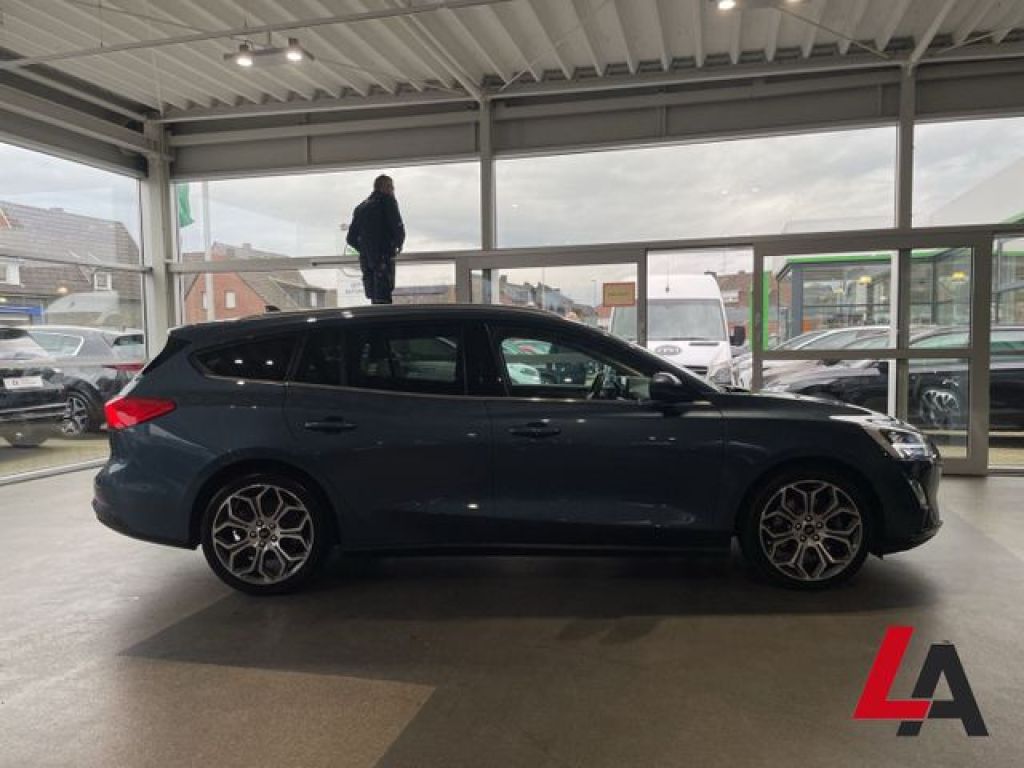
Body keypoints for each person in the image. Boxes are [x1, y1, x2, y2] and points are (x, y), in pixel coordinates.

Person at [346, 174, 405, 304]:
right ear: (385, 187)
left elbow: (350, 238)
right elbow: (397, 227)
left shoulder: (361, 208)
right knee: (384, 300)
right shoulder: (387, 201)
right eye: (391, 187)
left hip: (366, 261)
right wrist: (398, 244)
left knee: (374, 301)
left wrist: (365, 249)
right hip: (383, 258)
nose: (393, 190)